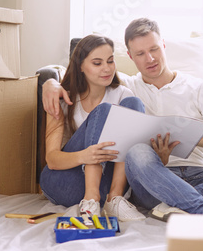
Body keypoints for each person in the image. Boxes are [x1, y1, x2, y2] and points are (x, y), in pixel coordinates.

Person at [43, 19, 203, 219]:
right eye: (140, 54)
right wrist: (50, 84)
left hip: (201, 173)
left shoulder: (197, 87)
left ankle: (182, 201)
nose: (149, 59)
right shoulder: (124, 86)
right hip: (151, 177)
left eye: (154, 49)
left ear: (163, 45)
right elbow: (82, 75)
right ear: (130, 57)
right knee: (137, 152)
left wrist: (185, 134)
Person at [39, 34, 147, 221]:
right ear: (80, 66)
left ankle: (115, 198)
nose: (107, 69)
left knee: (134, 104)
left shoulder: (123, 95)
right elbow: (53, 160)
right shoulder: (63, 100)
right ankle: (91, 199)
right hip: (65, 181)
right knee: (104, 110)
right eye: (97, 63)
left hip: (109, 182)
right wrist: (85, 156)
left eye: (110, 61)